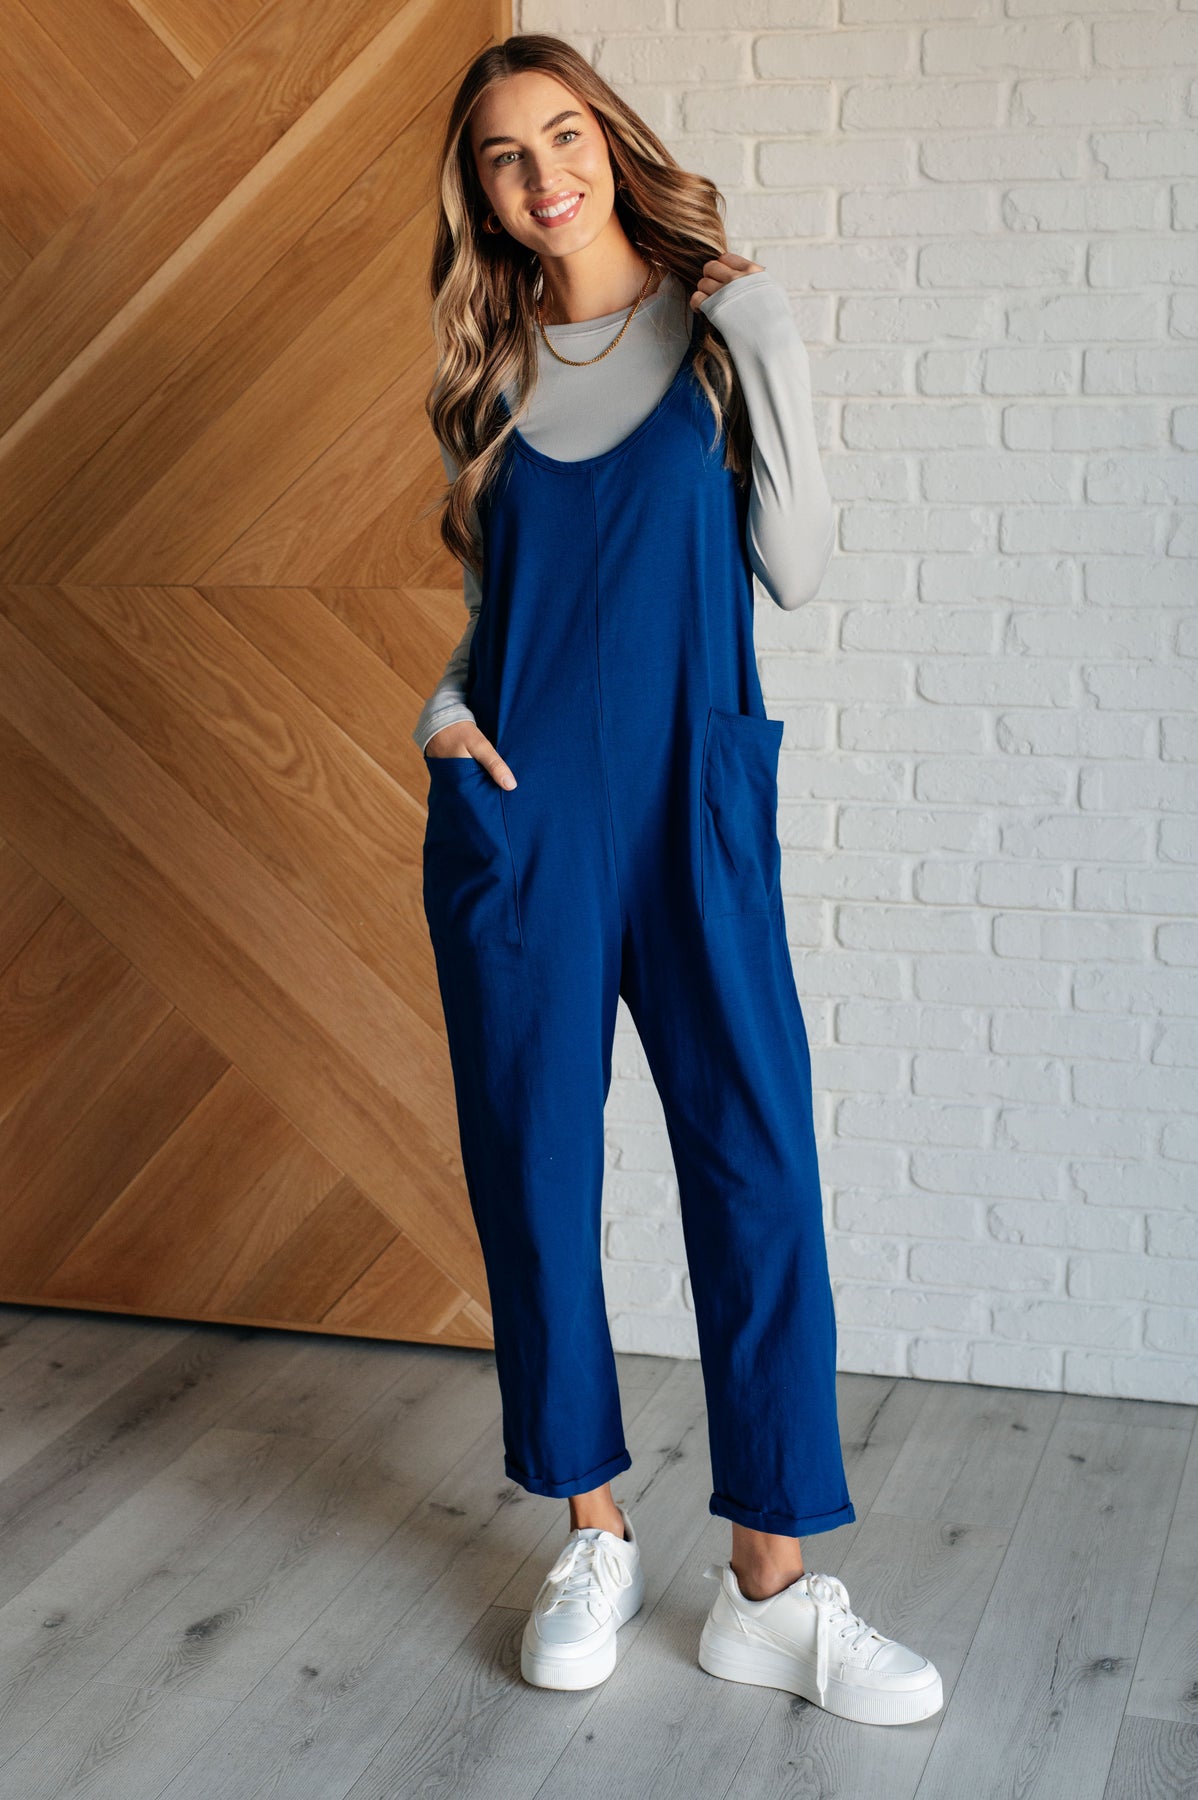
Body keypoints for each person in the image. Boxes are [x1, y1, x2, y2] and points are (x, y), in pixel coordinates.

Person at [414, 33, 942, 1727]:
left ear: (609, 139)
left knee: (755, 1164)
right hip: (525, 820)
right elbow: (489, 620)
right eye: (503, 156)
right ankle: (590, 1529)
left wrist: (764, 328)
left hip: (692, 804)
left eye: (561, 134)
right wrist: (440, 710)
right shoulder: (489, 375)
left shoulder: (714, 339)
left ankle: (769, 1588)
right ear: (481, 192)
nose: (541, 175)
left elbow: (793, 564)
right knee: (534, 1164)